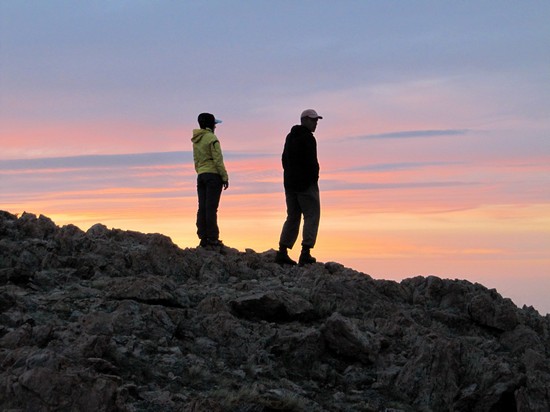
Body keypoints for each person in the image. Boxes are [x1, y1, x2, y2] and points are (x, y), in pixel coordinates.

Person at [276, 109, 322, 266]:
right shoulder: (308, 138)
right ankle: (305, 253)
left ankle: (282, 251)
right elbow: (311, 162)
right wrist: (313, 179)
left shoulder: (290, 137)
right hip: (306, 185)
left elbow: (284, 159)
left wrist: (289, 177)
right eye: (314, 120)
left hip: (290, 184)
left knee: (293, 216)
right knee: (312, 215)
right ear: (306, 120)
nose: (316, 123)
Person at [191, 112, 229, 247]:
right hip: (213, 176)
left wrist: (200, 171)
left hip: (201, 175)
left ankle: (203, 238)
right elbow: (218, 159)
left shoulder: (196, 140)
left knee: (202, 208)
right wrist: (224, 177)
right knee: (211, 208)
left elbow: (196, 159)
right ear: (210, 125)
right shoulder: (212, 138)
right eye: (214, 124)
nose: (215, 127)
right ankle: (213, 239)